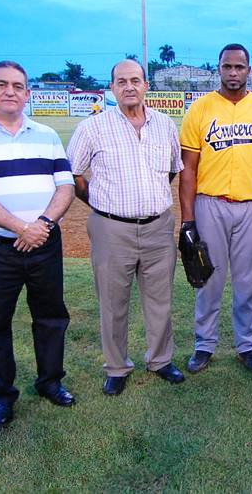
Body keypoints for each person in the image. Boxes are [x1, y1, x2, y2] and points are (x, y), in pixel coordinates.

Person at [0, 60, 75, 426]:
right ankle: (3, 395)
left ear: (27, 93)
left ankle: (50, 383)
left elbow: (65, 186)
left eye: (18, 86)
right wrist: (22, 227)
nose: (10, 91)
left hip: (44, 243)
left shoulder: (47, 135)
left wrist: (43, 224)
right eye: (2, 84)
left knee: (51, 318)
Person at [67, 59, 184, 396]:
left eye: (135, 80)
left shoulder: (165, 125)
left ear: (146, 85)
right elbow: (72, 174)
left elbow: (172, 171)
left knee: (160, 299)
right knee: (113, 301)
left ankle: (160, 360)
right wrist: (102, 204)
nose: (129, 86)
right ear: (112, 88)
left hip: (158, 227)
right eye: (122, 81)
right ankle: (116, 367)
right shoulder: (92, 128)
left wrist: (150, 198)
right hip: (110, 228)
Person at [179, 43, 252, 374]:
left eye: (239, 67)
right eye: (227, 67)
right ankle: (204, 344)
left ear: (249, 70)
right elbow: (189, 168)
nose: (233, 72)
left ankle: (246, 345)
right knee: (208, 278)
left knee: (246, 281)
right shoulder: (201, 109)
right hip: (210, 204)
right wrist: (188, 218)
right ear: (218, 69)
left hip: (251, 206)